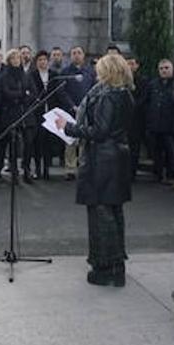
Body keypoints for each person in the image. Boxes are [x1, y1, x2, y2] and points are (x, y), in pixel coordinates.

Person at [55, 52, 134, 287]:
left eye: (100, 69)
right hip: (113, 158)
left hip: (104, 160)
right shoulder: (122, 94)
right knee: (112, 212)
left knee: (103, 214)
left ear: (108, 71)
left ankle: (106, 267)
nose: (97, 72)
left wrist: (68, 127)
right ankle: (114, 265)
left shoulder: (109, 96)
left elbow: (100, 131)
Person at [0, 48, 34, 183]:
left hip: (26, 113)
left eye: (18, 58)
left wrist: (22, 96)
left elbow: (32, 93)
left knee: (28, 142)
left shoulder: (25, 75)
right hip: (11, 113)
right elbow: (6, 93)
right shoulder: (5, 75)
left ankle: (27, 169)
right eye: (13, 58)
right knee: (13, 144)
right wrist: (23, 94)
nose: (16, 60)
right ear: (9, 60)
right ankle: (14, 171)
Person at [144, 58, 174, 183]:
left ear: (172, 69)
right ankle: (158, 174)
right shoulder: (153, 84)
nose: (164, 71)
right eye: (161, 68)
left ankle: (172, 174)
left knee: (171, 151)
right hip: (155, 123)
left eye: (167, 68)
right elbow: (147, 101)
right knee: (156, 151)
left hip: (171, 124)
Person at [60, 45, 95, 180]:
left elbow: (93, 89)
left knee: (84, 139)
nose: (76, 55)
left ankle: (83, 167)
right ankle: (70, 169)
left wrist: (86, 106)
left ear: (83, 55)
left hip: (86, 110)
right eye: (73, 53)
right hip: (70, 110)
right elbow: (61, 91)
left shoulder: (90, 71)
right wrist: (72, 106)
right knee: (70, 140)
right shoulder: (66, 71)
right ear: (70, 56)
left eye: (79, 53)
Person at [26, 50, 61, 180]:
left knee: (48, 142)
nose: (43, 62)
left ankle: (47, 169)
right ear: (36, 62)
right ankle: (37, 170)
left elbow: (59, 94)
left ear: (48, 61)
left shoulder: (54, 75)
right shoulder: (32, 75)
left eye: (45, 60)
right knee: (37, 143)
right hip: (37, 113)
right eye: (40, 60)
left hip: (51, 113)